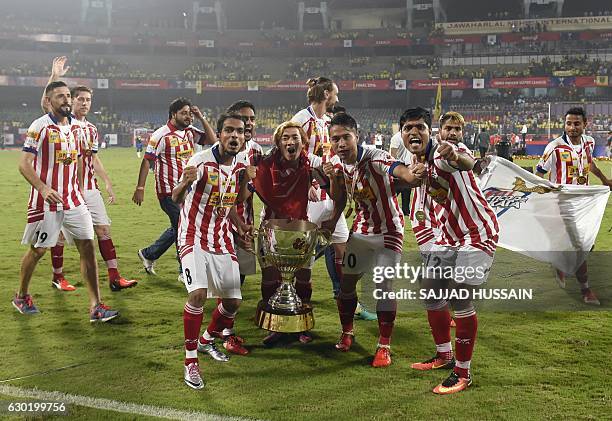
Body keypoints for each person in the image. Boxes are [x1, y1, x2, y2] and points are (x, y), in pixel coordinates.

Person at [404, 107, 498, 395]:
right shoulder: (417, 161)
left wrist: (455, 154)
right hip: (448, 235)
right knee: (431, 290)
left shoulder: (446, 152)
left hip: (477, 232)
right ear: (402, 134)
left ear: (430, 131)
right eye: (408, 128)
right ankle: (443, 355)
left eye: (420, 127)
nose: (414, 132)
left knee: (459, 296)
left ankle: (462, 372)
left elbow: (466, 161)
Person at [13, 80, 119, 322]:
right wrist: (42, 187)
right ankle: (21, 295)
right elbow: (23, 164)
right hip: (46, 202)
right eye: (60, 96)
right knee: (38, 250)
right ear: (49, 101)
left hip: (74, 200)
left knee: (87, 248)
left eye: (68, 96)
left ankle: (96, 307)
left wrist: (81, 190)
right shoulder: (40, 127)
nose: (67, 100)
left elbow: (82, 161)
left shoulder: (78, 129)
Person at [325, 112, 422, 367]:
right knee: (346, 285)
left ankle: (384, 345)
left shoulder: (375, 157)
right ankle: (347, 332)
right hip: (361, 233)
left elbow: (398, 170)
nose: (341, 144)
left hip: (389, 232)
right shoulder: (338, 164)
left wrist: (412, 176)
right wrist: (333, 222)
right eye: (335, 139)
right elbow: (341, 198)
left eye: (346, 137)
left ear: (357, 136)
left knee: (383, 287)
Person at [41, 57, 137, 293]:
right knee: (60, 236)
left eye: (88, 100)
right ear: (71, 101)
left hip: (89, 189)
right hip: (66, 189)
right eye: (80, 99)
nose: (85, 103)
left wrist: (107, 183)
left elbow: (93, 158)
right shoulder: (64, 122)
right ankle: (58, 276)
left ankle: (115, 277)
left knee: (103, 230)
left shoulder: (92, 129)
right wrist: (55, 76)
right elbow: (46, 102)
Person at [173, 112, 252, 390]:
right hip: (192, 236)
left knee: (233, 302)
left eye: (239, 132)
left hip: (221, 238)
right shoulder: (200, 161)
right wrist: (184, 181)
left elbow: (230, 204)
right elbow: (176, 197)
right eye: (228, 130)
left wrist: (241, 228)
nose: (234, 136)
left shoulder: (242, 165)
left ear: (244, 136)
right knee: (198, 295)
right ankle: (190, 362)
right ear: (218, 134)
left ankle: (207, 340)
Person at [241, 120, 333, 346]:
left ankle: (300, 324)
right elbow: (244, 195)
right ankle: (274, 324)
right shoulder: (265, 164)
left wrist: (326, 178)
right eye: (286, 138)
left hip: (299, 229)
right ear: (278, 142)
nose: (291, 141)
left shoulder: (312, 163)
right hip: (271, 228)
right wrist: (246, 179)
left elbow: (331, 186)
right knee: (270, 276)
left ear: (303, 142)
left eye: (295, 137)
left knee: (303, 276)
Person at [291, 77, 355, 331]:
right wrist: (307, 181)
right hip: (310, 197)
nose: (338, 98)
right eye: (335, 93)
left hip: (330, 194)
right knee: (301, 260)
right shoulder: (301, 119)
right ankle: (297, 312)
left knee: (343, 253)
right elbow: (292, 151)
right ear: (327, 93)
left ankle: (347, 308)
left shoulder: (327, 122)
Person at [133, 98, 216, 281]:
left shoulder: (189, 132)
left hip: (187, 190)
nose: (188, 117)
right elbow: (148, 160)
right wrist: (140, 187)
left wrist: (201, 117)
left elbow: (212, 140)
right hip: (168, 192)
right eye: (184, 113)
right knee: (183, 225)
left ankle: (149, 254)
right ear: (173, 115)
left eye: (189, 113)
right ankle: (183, 270)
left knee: (178, 226)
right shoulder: (160, 135)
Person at [536, 107, 612, 305]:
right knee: (580, 245)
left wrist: (604, 180)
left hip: (584, 201)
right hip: (563, 203)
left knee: (587, 242)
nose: (572, 127)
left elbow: (590, 163)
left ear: (585, 124)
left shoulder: (589, 142)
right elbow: (539, 173)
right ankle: (586, 290)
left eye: (576, 123)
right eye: (568, 123)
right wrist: (542, 196)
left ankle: (560, 263)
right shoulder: (554, 147)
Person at [389, 129, 411, 216]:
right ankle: (390, 208)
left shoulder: (403, 136)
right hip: (398, 166)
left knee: (405, 190)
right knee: (396, 190)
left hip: (405, 165)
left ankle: (405, 210)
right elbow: (393, 154)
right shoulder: (397, 137)